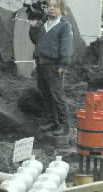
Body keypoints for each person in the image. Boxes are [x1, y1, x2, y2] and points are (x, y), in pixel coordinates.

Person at [29, 0, 73, 135]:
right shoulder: (44, 24)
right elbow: (35, 40)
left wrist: (63, 64)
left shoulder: (64, 26)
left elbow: (66, 46)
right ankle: (51, 122)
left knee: (57, 96)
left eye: (55, 6)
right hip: (41, 64)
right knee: (46, 95)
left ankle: (64, 126)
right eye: (49, 6)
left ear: (61, 9)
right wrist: (34, 27)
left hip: (54, 65)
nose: (52, 9)